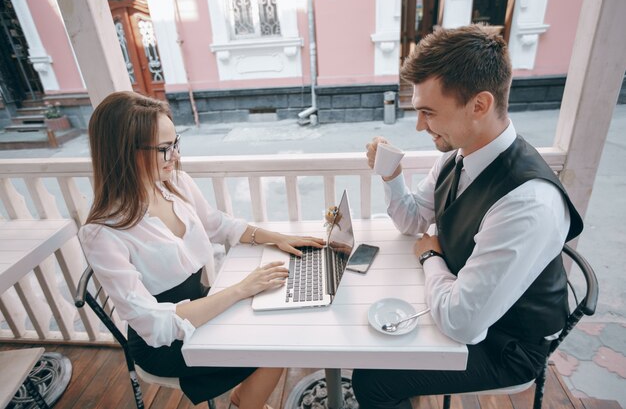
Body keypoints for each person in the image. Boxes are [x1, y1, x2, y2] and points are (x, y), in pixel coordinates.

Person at [353, 24, 584, 409]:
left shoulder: (528, 203)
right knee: (374, 343)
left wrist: (431, 258)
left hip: (505, 345)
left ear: (479, 105)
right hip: (466, 302)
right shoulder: (456, 156)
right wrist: (391, 175)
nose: (419, 125)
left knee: (373, 379)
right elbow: (413, 222)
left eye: (428, 112)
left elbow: (462, 322)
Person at [78, 91, 326, 408]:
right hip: (166, 341)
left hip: (207, 303)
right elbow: (152, 322)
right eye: (164, 150)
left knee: (280, 323)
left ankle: (246, 400)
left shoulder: (176, 184)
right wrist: (240, 290)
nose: (176, 157)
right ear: (124, 152)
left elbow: (216, 224)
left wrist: (274, 237)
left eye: (175, 143)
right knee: (275, 341)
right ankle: (247, 402)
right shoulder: (102, 233)